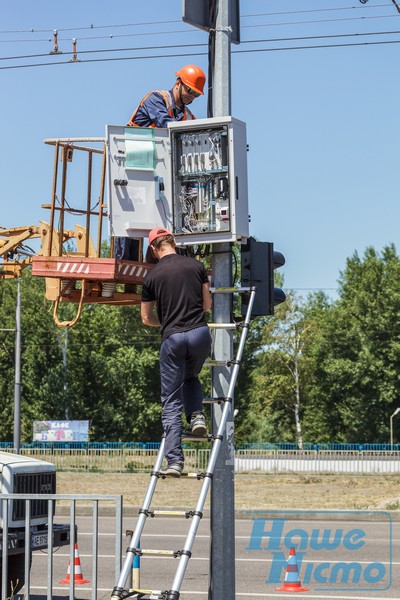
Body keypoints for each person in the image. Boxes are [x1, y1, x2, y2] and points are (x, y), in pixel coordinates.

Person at [141, 227, 212, 477]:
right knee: (191, 377)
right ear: (174, 242)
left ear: (153, 248)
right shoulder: (196, 266)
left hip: (173, 338)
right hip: (200, 334)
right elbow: (207, 304)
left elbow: (146, 317)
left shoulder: (151, 277)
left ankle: (174, 462)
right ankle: (197, 417)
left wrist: (166, 321)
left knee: (171, 399)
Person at [127, 64, 206, 128]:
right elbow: (165, 123)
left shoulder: (188, 116)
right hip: (138, 145)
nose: (192, 96)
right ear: (178, 84)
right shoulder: (156, 98)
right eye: (190, 90)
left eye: (197, 94)